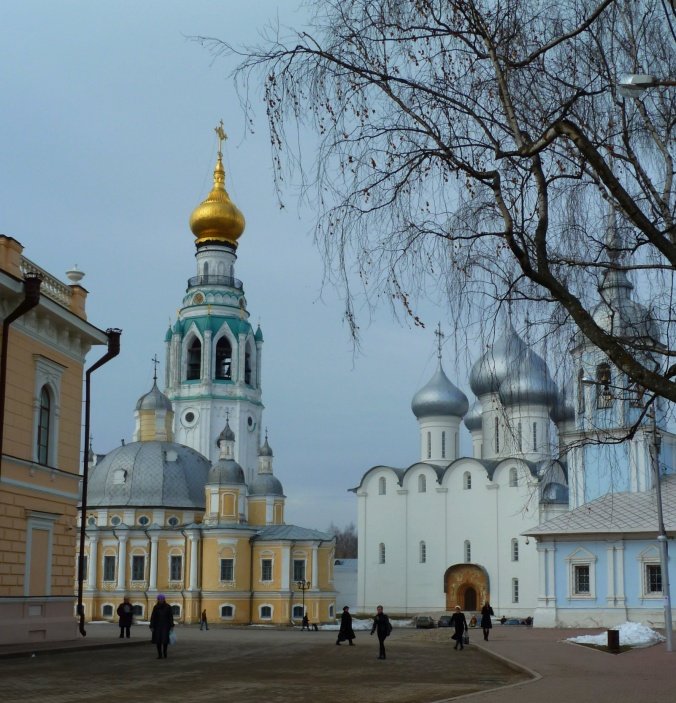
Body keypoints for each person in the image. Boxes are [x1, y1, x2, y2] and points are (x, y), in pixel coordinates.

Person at [149, 594, 174, 659]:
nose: (161, 600)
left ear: (164, 599)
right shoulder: (156, 607)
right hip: (157, 626)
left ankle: (165, 652)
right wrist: (151, 626)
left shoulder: (168, 607)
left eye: (162, 599)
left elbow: (170, 617)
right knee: (158, 641)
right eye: (159, 599)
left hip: (166, 626)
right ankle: (159, 654)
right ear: (158, 600)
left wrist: (171, 625)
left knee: (165, 641)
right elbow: (153, 617)